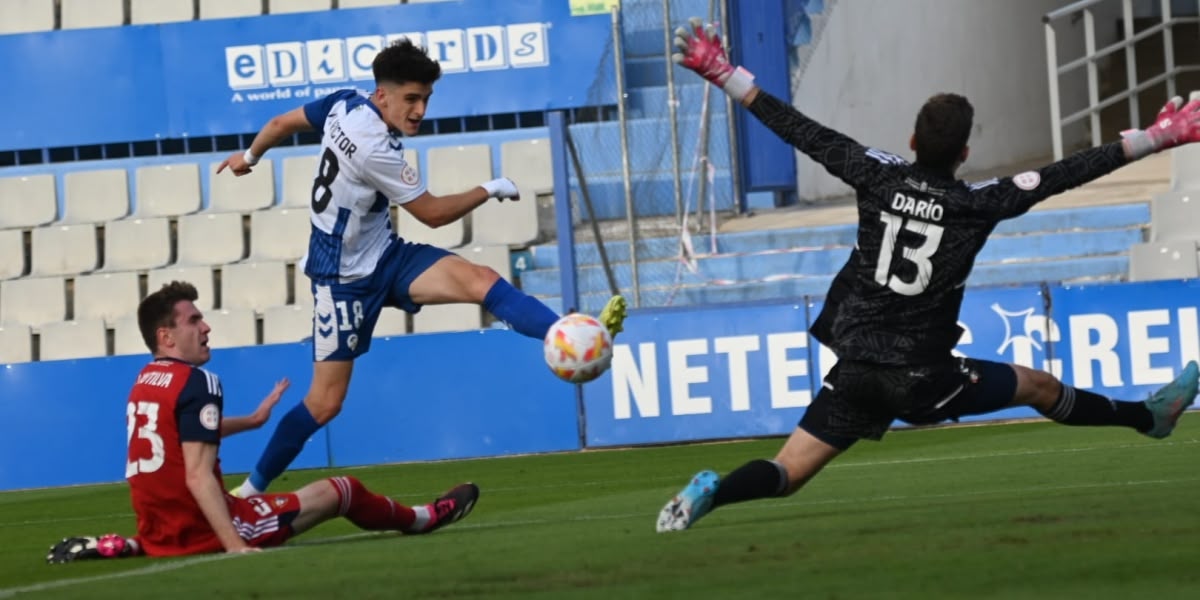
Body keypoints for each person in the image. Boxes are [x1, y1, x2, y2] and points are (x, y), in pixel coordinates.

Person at [655, 19, 1200, 532]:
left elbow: (802, 131)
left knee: (787, 472)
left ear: (912, 142)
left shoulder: (874, 173)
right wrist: (1156, 138)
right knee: (1038, 386)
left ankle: (715, 491)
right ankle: (1148, 418)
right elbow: (1063, 174)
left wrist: (722, 72)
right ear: (964, 152)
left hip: (857, 367)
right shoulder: (979, 202)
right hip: (920, 377)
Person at [215, 39, 627, 497]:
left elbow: (279, 123)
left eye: (426, 99)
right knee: (325, 402)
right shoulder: (374, 150)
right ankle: (247, 494)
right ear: (382, 95)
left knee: (482, 281)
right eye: (412, 99)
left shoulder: (342, 104)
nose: (420, 110)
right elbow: (432, 214)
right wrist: (489, 187)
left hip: (387, 256)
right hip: (342, 281)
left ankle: (567, 334)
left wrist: (248, 158)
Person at [46, 282, 478, 563]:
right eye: (194, 320)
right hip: (209, 526)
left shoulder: (144, 382)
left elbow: (180, 439)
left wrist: (253, 421)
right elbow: (197, 475)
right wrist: (236, 546)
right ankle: (424, 518)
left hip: (161, 528)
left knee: (179, 526)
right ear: (167, 336)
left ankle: (131, 544)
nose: (206, 326)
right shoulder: (199, 381)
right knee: (344, 491)